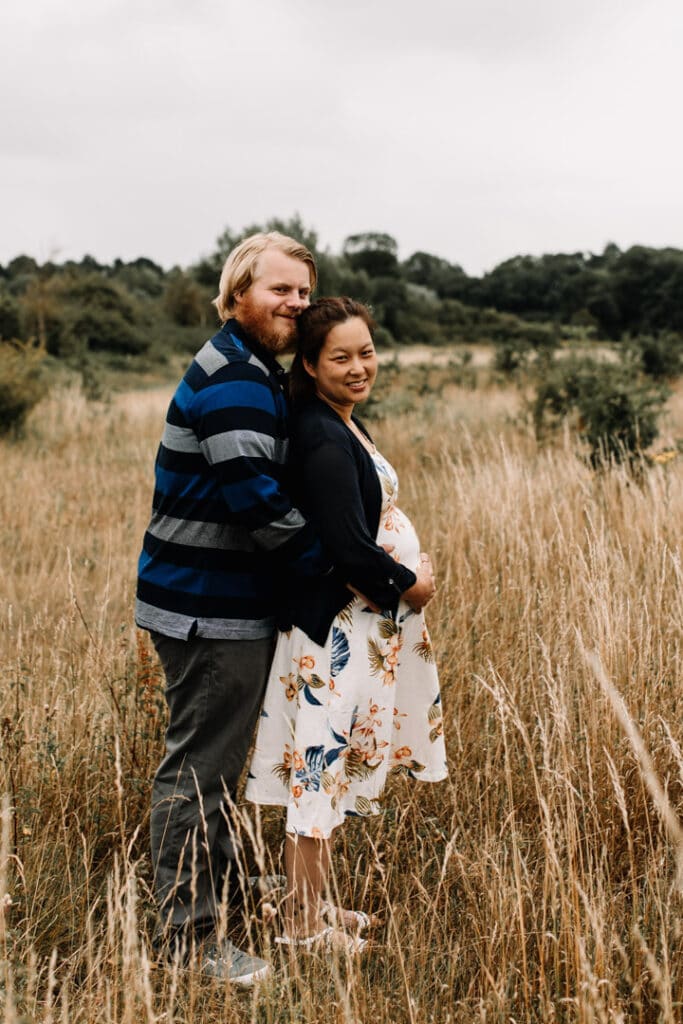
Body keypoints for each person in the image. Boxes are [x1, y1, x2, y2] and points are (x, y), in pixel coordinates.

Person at [135, 231, 330, 986]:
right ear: (238, 291)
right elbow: (259, 502)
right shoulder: (236, 380)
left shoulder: (252, 369)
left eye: (304, 293)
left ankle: (224, 892)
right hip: (206, 608)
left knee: (214, 766)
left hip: (218, 602)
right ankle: (189, 941)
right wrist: (335, 572)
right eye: (280, 290)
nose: (295, 305)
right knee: (199, 773)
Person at [245, 296, 448, 950]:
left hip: (353, 630)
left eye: (366, 352)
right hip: (331, 635)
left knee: (326, 774)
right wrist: (408, 585)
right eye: (341, 357)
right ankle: (302, 927)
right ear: (309, 363)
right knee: (317, 773)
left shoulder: (338, 421)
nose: (359, 367)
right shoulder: (321, 435)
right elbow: (343, 544)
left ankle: (315, 906)